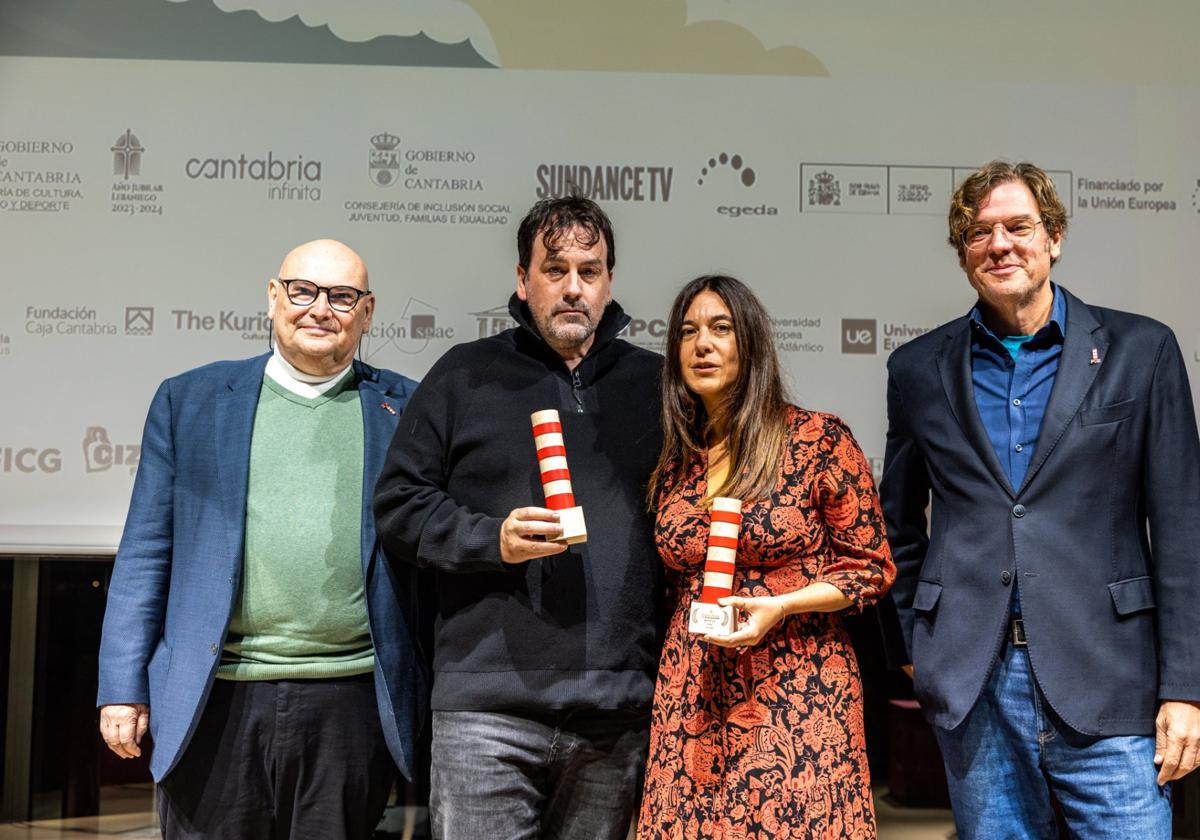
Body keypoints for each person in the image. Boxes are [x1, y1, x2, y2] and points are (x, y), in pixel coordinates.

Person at [881, 160, 1200, 838]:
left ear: (1053, 237)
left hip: (1111, 684)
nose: (1000, 245)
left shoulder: (1141, 353)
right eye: (979, 232)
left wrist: (1186, 690)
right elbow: (896, 528)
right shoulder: (917, 370)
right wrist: (918, 643)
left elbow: (1182, 534)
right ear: (963, 253)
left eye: (1018, 227)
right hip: (976, 689)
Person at [96, 239, 423, 839]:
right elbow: (146, 550)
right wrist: (122, 688)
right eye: (304, 291)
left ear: (368, 312)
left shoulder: (406, 408)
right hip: (215, 696)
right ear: (274, 297)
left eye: (342, 296)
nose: (320, 308)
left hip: (350, 701)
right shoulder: (188, 400)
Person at [373, 196, 663, 839]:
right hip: (487, 712)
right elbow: (399, 504)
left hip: (616, 711)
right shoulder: (465, 375)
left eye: (589, 271)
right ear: (522, 278)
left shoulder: (657, 385)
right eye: (554, 269)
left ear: (610, 279)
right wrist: (490, 540)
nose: (573, 288)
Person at [638, 274, 895, 838]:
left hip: (798, 686)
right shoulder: (676, 462)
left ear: (749, 342)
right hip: (692, 689)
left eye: (720, 328)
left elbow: (870, 569)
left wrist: (779, 605)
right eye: (687, 332)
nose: (701, 344)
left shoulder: (818, 440)